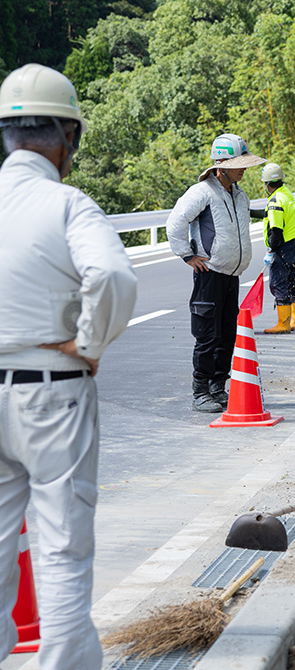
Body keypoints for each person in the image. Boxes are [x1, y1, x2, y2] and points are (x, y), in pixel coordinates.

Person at [0, 64, 138, 670]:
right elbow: (109, 276)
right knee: (59, 546)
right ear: (66, 138)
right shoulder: (66, 205)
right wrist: (89, 344)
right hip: (50, 393)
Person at [167, 134, 266, 413]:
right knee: (207, 334)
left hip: (231, 275)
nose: (244, 169)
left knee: (226, 333)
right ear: (221, 164)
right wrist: (187, 254)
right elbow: (176, 222)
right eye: (239, 164)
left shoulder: (239, 194)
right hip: (209, 272)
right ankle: (200, 391)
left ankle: (218, 387)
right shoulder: (203, 192)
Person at [259, 163, 295, 334]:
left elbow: (276, 231)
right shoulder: (285, 194)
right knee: (293, 282)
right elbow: (272, 213)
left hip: (282, 247)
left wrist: (271, 249)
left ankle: (283, 324)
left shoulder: (274, 201)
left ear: (266, 184)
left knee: (279, 283)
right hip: (294, 246)